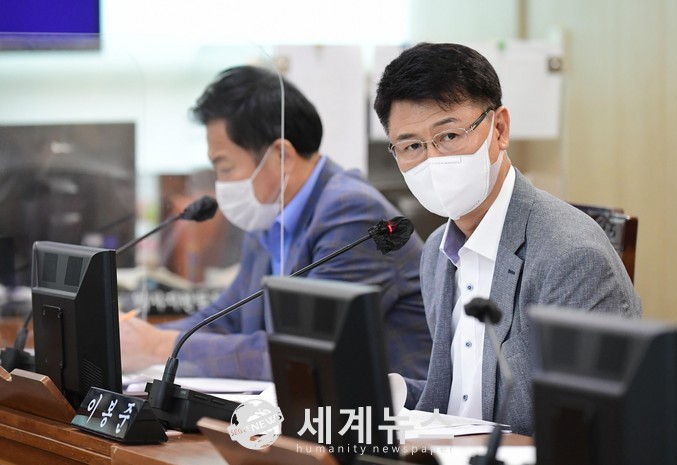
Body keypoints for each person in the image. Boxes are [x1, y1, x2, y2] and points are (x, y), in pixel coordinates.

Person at [373, 42, 642, 436]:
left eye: (449, 135)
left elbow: (589, 430)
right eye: (411, 146)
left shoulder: (572, 256)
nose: (433, 160)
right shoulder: (436, 252)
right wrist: (392, 392)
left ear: (499, 130)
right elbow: (464, 399)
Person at [119, 65, 431, 382]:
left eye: (225, 168)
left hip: (396, 410)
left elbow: (303, 355)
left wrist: (158, 346)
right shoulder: (270, 214)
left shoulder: (350, 213)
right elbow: (226, 317)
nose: (220, 184)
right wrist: (134, 336)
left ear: (282, 155)